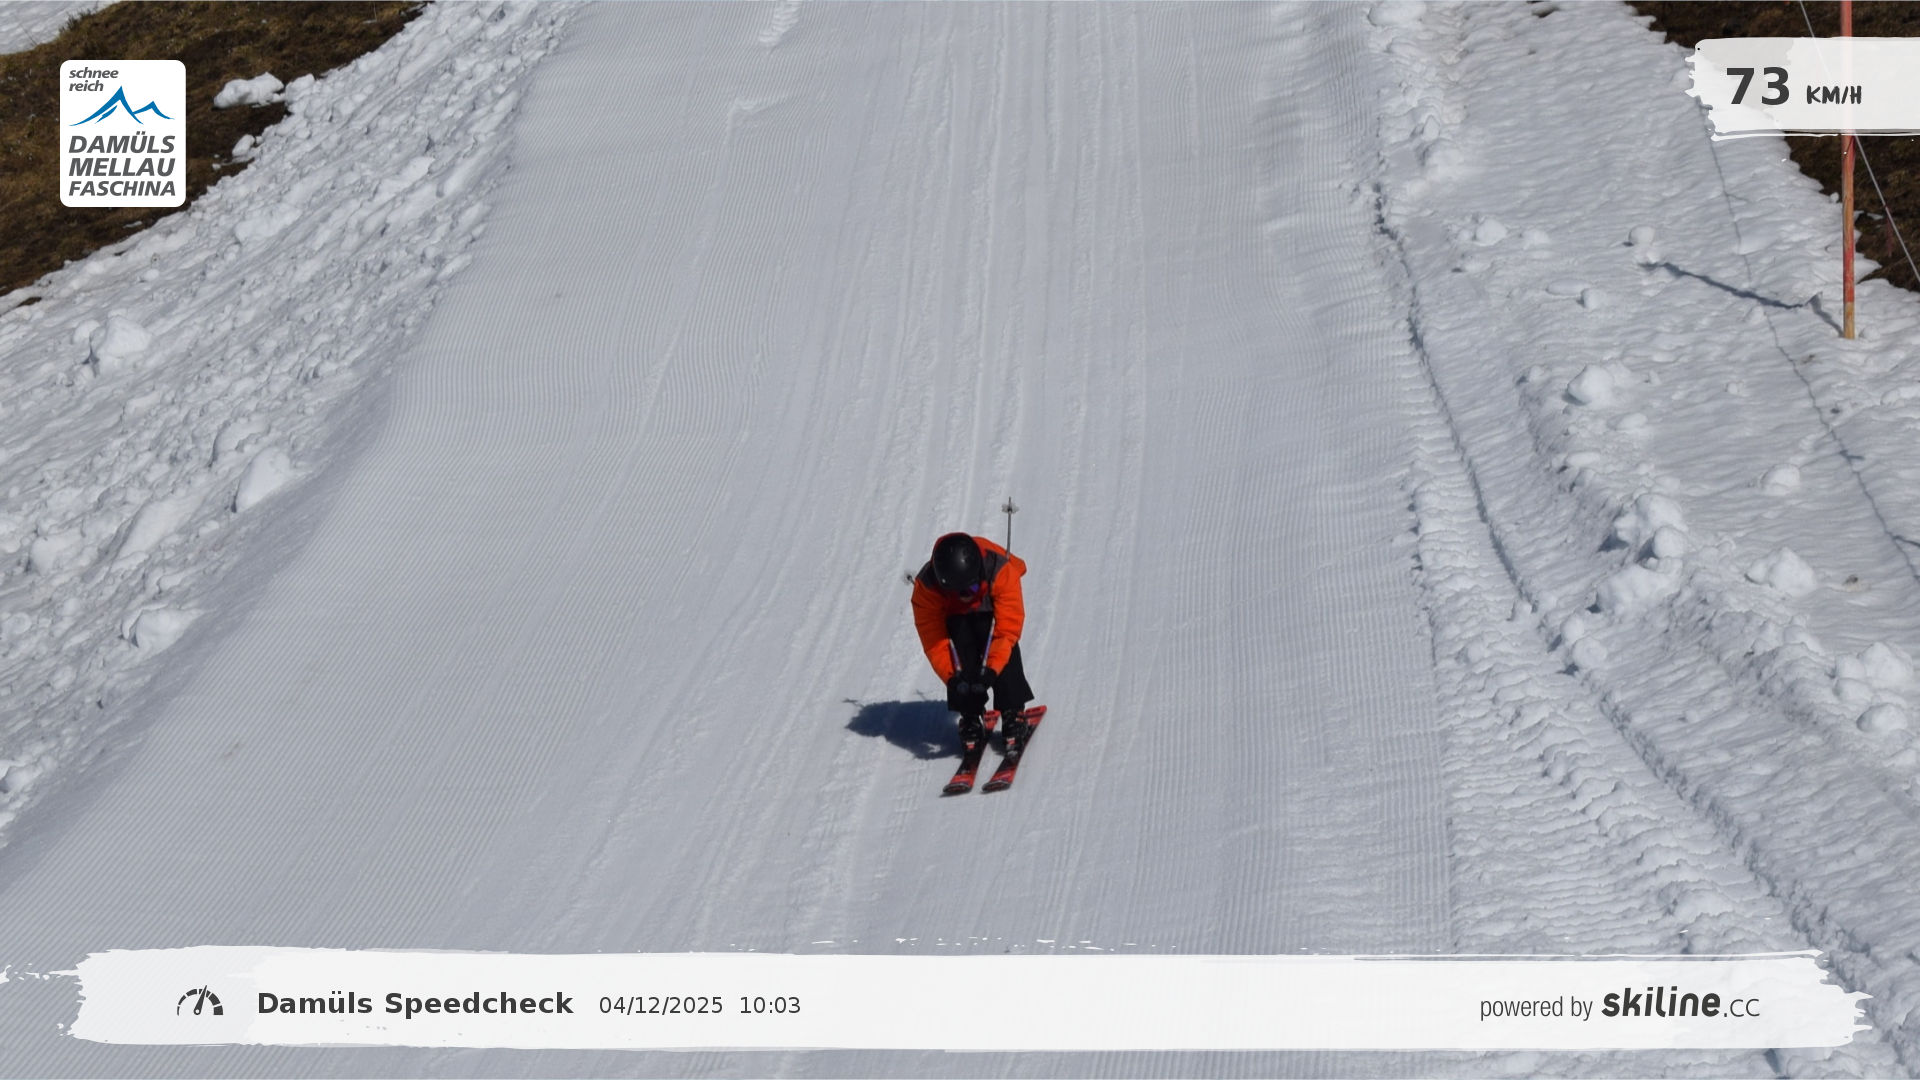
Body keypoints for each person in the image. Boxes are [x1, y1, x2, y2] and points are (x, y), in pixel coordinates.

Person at [911, 531, 1036, 749]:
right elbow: (935, 643)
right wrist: (953, 679)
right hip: (956, 616)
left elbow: (1007, 631)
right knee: (959, 642)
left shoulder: (1000, 570)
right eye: (959, 593)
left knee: (998, 641)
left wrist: (992, 670)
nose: (967, 596)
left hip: (990, 611)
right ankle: (970, 713)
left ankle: (1012, 710)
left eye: (972, 588)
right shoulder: (927, 589)